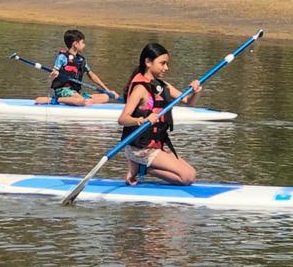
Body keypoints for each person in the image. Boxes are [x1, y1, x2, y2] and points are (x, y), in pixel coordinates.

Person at [117, 42, 201, 187]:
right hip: (140, 149)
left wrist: (196, 91)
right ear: (148, 62)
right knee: (187, 177)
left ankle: (142, 167)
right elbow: (123, 119)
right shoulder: (140, 88)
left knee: (191, 174)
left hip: (155, 146)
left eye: (166, 64)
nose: (166, 68)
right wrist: (142, 120)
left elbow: (188, 102)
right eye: (162, 63)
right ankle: (144, 167)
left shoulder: (163, 86)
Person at [34, 29, 116, 106]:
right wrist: (54, 74)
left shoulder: (81, 60)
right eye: (82, 42)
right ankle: (55, 100)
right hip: (63, 90)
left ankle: (81, 100)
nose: (84, 45)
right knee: (82, 101)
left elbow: (92, 75)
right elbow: (52, 76)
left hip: (75, 92)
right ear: (75, 44)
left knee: (106, 97)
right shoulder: (62, 57)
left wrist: (107, 90)